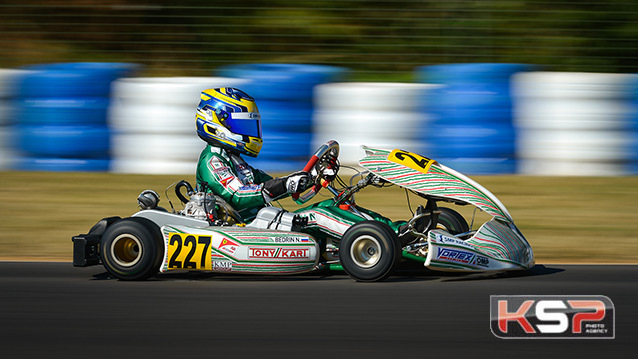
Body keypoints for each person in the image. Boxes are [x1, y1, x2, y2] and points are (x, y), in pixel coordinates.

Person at [194, 87, 408, 244]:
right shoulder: (212, 160)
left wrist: (314, 177)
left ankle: (398, 232)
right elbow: (238, 195)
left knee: (332, 206)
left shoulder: (236, 161)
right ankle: (379, 241)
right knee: (320, 217)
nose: (249, 131)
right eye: (242, 124)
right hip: (243, 231)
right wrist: (286, 185)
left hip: (263, 223)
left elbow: (271, 185)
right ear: (216, 123)